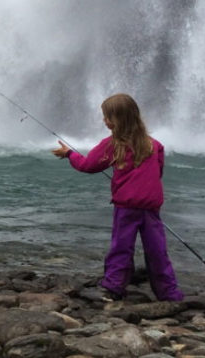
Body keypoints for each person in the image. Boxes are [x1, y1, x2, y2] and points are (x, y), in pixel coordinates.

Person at [51, 93, 184, 301]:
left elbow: (87, 165)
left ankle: (113, 287)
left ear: (117, 120)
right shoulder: (155, 145)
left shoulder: (112, 144)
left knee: (121, 248)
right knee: (157, 251)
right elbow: (158, 173)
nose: (104, 120)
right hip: (150, 207)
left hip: (126, 207)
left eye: (107, 117)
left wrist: (69, 154)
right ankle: (169, 293)